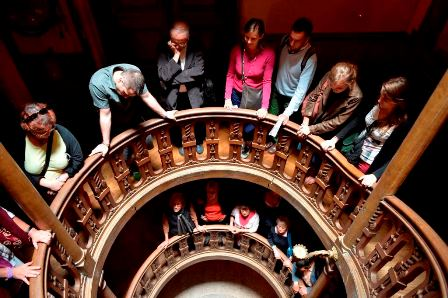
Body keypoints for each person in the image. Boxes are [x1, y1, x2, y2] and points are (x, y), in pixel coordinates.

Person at [320, 76, 409, 188]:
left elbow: (396, 155)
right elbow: (356, 121)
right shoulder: (376, 106)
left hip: (368, 163)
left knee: (347, 190)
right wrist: (334, 139)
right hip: (354, 150)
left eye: (385, 99)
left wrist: (375, 175)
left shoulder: (400, 125)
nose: (379, 100)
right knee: (334, 181)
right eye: (381, 95)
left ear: (398, 103)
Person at [88, 63, 177, 157]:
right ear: (120, 80)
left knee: (146, 143)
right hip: (114, 121)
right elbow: (105, 114)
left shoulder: (135, 73)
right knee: (123, 155)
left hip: (133, 114)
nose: (126, 97)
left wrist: (165, 114)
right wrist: (105, 143)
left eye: (130, 96)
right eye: (124, 93)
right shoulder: (98, 83)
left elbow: (146, 96)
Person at [296, 62, 363, 186]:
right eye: (332, 86)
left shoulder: (356, 96)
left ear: (350, 83)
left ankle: (314, 172)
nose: (333, 89)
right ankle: (303, 167)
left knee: (320, 154)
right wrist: (306, 121)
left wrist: (311, 129)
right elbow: (313, 96)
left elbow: (337, 122)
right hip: (316, 118)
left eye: (339, 88)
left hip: (331, 128)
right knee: (304, 146)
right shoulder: (329, 75)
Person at [223, 18, 275, 158]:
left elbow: (267, 81)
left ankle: (247, 142)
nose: (249, 41)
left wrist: (264, 107)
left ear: (261, 36)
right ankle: (238, 144)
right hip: (236, 92)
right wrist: (227, 98)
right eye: (246, 37)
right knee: (235, 122)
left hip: (254, 94)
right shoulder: (236, 50)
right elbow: (230, 75)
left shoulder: (268, 54)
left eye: (253, 38)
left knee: (250, 125)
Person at [266, 17, 317, 153]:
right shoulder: (284, 41)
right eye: (291, 38)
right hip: (277, 91)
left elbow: (301, 90)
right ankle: (270, 141)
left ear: (307, 39)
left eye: (297, 40)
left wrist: (288, 112)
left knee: (284, 123)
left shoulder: (310, 57)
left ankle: (280, 147)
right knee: (271, 118)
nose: (292, 43)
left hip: (291, 97)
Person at [157, 20, 206, 155]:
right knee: (176, 121)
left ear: (188, 38)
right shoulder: (163, 49)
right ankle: (180, 143)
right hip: (173, 94)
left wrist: (173, 79)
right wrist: (176, 55)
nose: (177, 45)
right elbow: (163, 75)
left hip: (193, 93)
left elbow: (198, 71)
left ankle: (199, 141)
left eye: (181, 42)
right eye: (174, 42)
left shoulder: (197, 47)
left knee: (197, 119)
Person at [19, 103, 83, 201]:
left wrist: (62, 178)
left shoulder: (60, 131)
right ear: (31, 130)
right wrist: (49, 184)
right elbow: (21, 172)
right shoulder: (21, 143)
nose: (49, 133)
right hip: (43, 196)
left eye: (51, 128)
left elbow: (78, 157)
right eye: (44, 133)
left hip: (68, 185)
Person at [0, 206, 52, 285]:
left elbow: (7, 216)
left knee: (43, 272)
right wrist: (11, 272)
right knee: (35, 281)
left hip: (10, 249)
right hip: (4, 267)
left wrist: (32, 232)